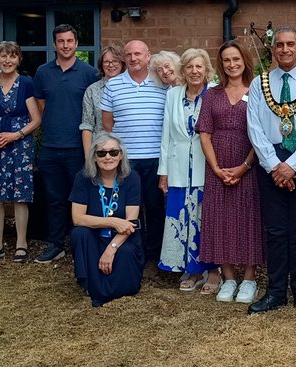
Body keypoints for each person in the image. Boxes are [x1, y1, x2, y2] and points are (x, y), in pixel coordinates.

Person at [245, 25, 296, 316]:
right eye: (279, 44)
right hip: (270, 160)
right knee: (276, 230)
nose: (285, 49)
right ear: (273, 49)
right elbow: (254, 127)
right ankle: (276, 291)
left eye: (290, 44)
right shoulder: (260, 83)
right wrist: (274, 165)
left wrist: (292, 166)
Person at [196, 40, 264, 304]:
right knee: (220, 219)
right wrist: (215, 168)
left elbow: (263, 133)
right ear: (221, 64)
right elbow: (204, 133)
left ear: (244, 60)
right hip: (218, 165)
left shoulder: (257, 91)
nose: (232, 64)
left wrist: (245, 166)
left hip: (249, 163)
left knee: (249, 219)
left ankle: (249, 279)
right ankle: (228, 278)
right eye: (226, 60)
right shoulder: (212, 94)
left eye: (236, 59)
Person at [101, 39, 168, 276]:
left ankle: (154, 258)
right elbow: (107, 124)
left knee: (155, 209)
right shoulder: (113, 85)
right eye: (129, 55)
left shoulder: (162, 84)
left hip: (156, 158)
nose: (133, 58)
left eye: (138, 54)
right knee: (128, 210)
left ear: (148, 56)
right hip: (126, 160)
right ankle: (132, 255)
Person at [34, 24, 98, 264]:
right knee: (54, 199)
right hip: (50, 147)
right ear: (54, 44)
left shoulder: (89, 73)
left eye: (70, 41)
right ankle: (56, 244)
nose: (65, 45)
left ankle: (82, 245)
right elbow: (41, 106)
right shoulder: (43, 72)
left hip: (78, 148)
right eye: (61, 41)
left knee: (82, 198)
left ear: (76, 43)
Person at [159, 48, 217, 291]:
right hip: (178, 167)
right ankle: (190, 271)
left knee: (206, 219)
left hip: (207, 167)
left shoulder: (214, 92)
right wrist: (163, 172)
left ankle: (212, 271)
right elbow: (166, 135)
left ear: (206, 70)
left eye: (199, 66)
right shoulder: (173, 94)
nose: (194, 71)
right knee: (182, 217)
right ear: (182, 70)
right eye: (189, 67)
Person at [0, 41, 41, 262]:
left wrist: (16, 135)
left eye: (12, 56)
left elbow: (36, 119)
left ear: (19, 59)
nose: (7, 60)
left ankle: (21, 244)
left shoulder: (26, 83)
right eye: (3, 56)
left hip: (19, 146)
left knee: (19, 196)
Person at [70, 133, 145, 307]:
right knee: (79, 233)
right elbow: (77, 218)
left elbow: (131, 223)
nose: (108, 157)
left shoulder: (132, 178)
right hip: (94, 238)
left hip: (123, 239)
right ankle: (92, 286)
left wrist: (111, 249)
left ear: (121, 155)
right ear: (94, 157)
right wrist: (112, 222)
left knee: (126, 265)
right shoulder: (83, 178)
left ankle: (104, 288)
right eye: (101, 153)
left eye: (113, 152)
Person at [79, 45, 124, 155]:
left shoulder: (130, 88)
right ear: (101, 64)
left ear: (122, 63)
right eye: (106, 62)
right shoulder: (92, 90)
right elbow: (87, 125)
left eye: (115, 61)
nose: (111, 65)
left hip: (128, 148)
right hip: (102, 151)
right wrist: (88, 157)